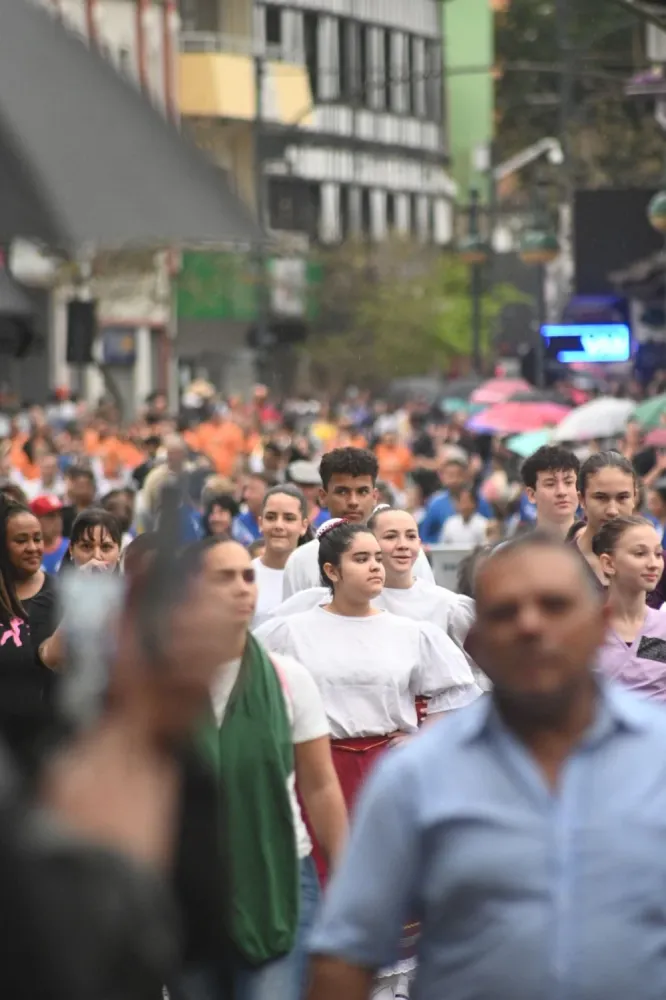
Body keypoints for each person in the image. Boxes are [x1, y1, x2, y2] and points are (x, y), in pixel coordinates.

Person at [306, 533, 666, 1000]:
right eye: (505, 612)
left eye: (555, 606)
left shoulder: (656, 757)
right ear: (476, 642)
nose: (531, 626)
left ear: (598, 622)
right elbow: (347, 954)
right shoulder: (416, 777)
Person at [186, 537, 347, 1000]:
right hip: (191, 881)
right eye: (224, 577)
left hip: (279, 875)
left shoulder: (286, 679)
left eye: (247, 576)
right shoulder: (166, 689)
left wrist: (349, 876)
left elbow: (320, 787)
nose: (242, 587)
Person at [282, 449, 434, 599]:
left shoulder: (405, 553)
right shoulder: (302, 560)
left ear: (375, 496)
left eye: (362, 492)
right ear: (323, 497)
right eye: (342, 492)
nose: (353, 502)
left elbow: (428, 607)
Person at [0, 497, 58, 768]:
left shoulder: (61, 594)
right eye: (21, 540)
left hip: (47, 747)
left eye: (37, 538)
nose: (34, 547)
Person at [593, 516, 666, 700]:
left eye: (658, 554)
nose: (653, 564)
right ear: (609, 564)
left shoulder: (662, 627)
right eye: (640, 554)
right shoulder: (583, 629)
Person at [568, 451, 637, 589]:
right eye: (601, 498)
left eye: (622, 497)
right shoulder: (560, 566)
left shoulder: (657, 565)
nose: (612, 510)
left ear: (635, 497)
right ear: (582, 499)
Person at [253, 485, 310, 628]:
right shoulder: (246, 575)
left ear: (303, 526)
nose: (279, 525)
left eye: (289, 518)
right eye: (271, 517)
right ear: (260, 523)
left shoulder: (316, 576)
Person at [418, 457, 492, 545]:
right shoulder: (435, 503)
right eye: (450, 475)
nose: (454, 479)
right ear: (442, 477)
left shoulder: (480, 501)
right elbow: (425, 535)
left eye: (458, 474)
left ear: (465, 476)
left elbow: (490, 528)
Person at [521, 445, 580, 539]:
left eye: (568, 482)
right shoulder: (513, 552)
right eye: (550, 484)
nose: (562, 492)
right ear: (531, 494)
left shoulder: (599, 547)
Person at [62, 508, 122, 573]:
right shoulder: (54, 583)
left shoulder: (131, 582)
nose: (96, 556)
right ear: (71, 549)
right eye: (86, 546)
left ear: (119, 551)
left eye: (106, 547)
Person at [30, 495, 69, 574]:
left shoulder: (71, 547)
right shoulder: (28, 552)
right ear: (35, 518)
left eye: (59, 515)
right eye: (50, 516)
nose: (57, 520)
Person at [234, 473, 269, 547]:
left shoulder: (278, 524)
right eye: (245, 489)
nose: (246, 495)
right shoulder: (239, 523)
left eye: (252, 490)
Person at [61, 466, 97, 537]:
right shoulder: (64, 514)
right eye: (79, 485)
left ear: (92, 488)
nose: (83, 490)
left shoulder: (101, 513)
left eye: (85, 485)